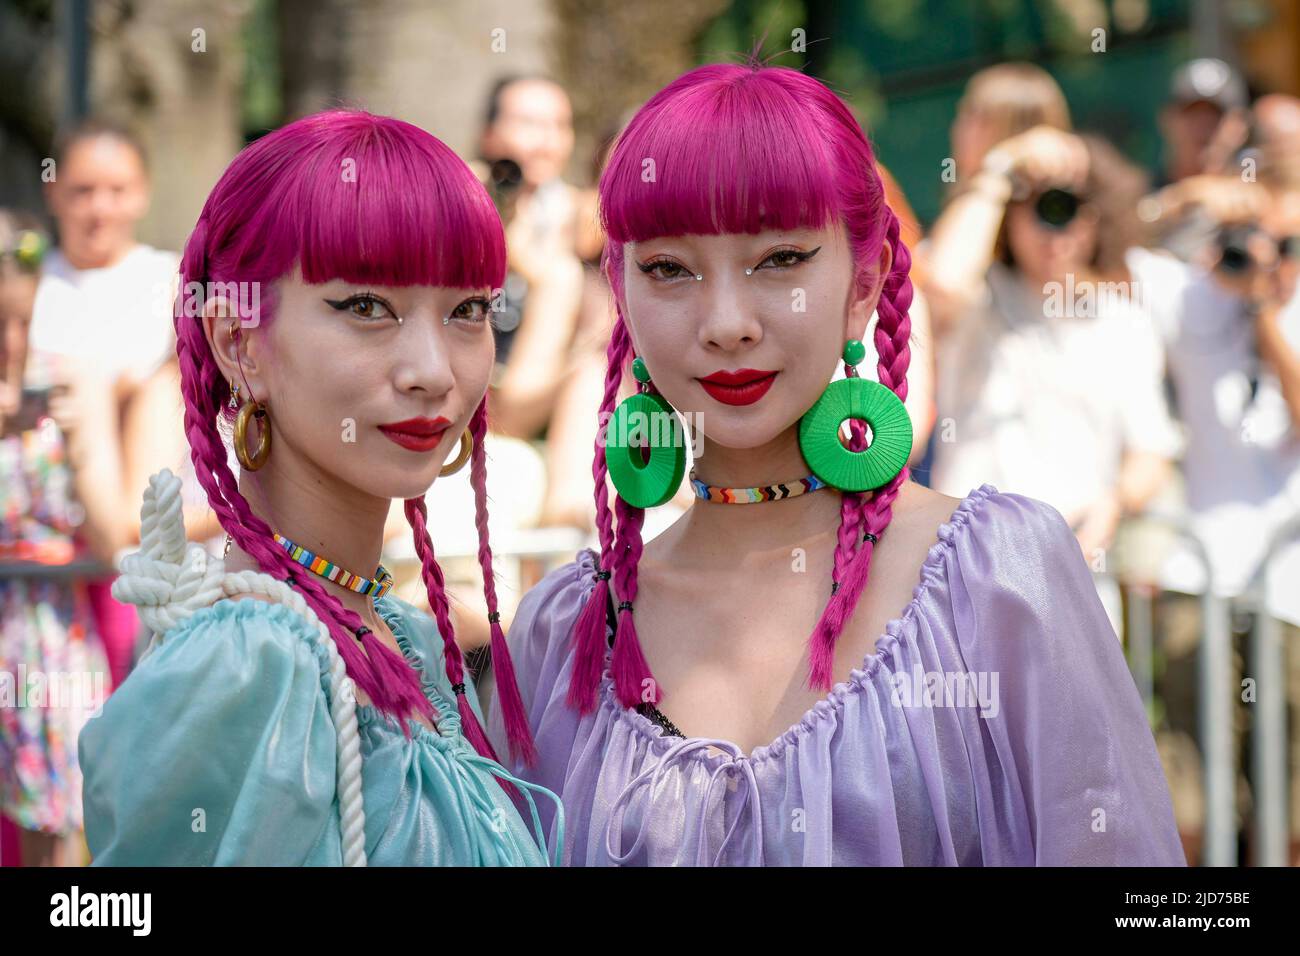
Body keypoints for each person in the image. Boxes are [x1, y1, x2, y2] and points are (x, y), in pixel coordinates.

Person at [488, 61, 1185, 866]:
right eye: (669, 268)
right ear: (620, 290)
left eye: (780, 259)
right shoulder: (562, 636)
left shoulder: (998, 575)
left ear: (865, 281)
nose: (727, 322)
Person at [78, 110, 562, 866]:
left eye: (467, 310)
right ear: (239, 342)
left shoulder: (404, 637)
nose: (433, 370)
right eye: (367, 307)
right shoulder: (245, 665)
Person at [925, 127, 1183, 633]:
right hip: (967, 581)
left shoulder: (1122, 322)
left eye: (1072, 207)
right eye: (1039, 207)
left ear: (1098, 217)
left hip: (1076, 582)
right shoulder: (977, 298)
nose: (1056, 227)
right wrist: (1002, 169)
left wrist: (1115, 502)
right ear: (1008, 218)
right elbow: (945, 278)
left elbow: (1151, 451)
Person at [30, 118, 194, 693]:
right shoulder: (29, 289)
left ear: (143, 192)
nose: (100, 208)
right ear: (54, 191)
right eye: (82, 190)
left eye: (117, 190)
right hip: (51, 551)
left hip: (146, 533)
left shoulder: (174, 281)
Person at [0, 211, 110, 866]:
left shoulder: (72, 378)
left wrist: (78, 440)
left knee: (60, 838)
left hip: (51, 643)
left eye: (22, 319)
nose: (11, 341)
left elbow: (110, 535)